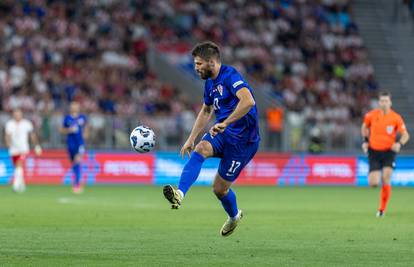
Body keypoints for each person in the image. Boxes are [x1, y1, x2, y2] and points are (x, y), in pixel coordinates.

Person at [163, 41, 260, 236]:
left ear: (211, 62)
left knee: (219, 189)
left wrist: (226, 122)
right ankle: (179, 194)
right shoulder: (209, 84)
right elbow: (206, 110)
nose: (196, 68)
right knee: (200, 149)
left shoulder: (230, 75)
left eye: (199, 64)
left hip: (243, 142)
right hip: (223, 133)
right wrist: (191, 138)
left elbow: (248, 101)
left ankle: (234, 216)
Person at [361, 90, 410, 217]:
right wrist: (365, 141)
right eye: (382, 101)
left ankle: (382, 209)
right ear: (379, 102)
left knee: (386, 178)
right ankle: (375, 180)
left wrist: (399, 144)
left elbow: (405, 134)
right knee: (374, 183)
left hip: (389, 151)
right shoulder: (370, 115)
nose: (384, 103)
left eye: (386, 101)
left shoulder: (396, 117)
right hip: (374, 151)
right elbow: (364, 127)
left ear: (390, 102)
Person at [5, 109, 42, 193]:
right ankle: (22, 184)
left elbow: (32, 135)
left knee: (19, 164)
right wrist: (8, 143)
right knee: (18, 167)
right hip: (13, 149)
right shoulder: (10, 124)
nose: (17, 115)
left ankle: (15, 185)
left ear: (21, 114)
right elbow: (7, 135)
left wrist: (37, 146)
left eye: (18, 114)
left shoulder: (27, 123)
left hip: (23, 148)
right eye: (15, 114)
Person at [60, 102, 88, 194]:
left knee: (77, 161)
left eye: (76, 106)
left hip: (80, 143)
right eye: (73, 106)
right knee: (74, 163)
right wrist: (69, 130)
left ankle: (76, 185)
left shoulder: (82, 117)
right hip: (70, 144)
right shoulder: (67, 118)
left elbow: (87, 127)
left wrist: (86, 134)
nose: (75, 108)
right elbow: (62, 129)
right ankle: (77, 181)